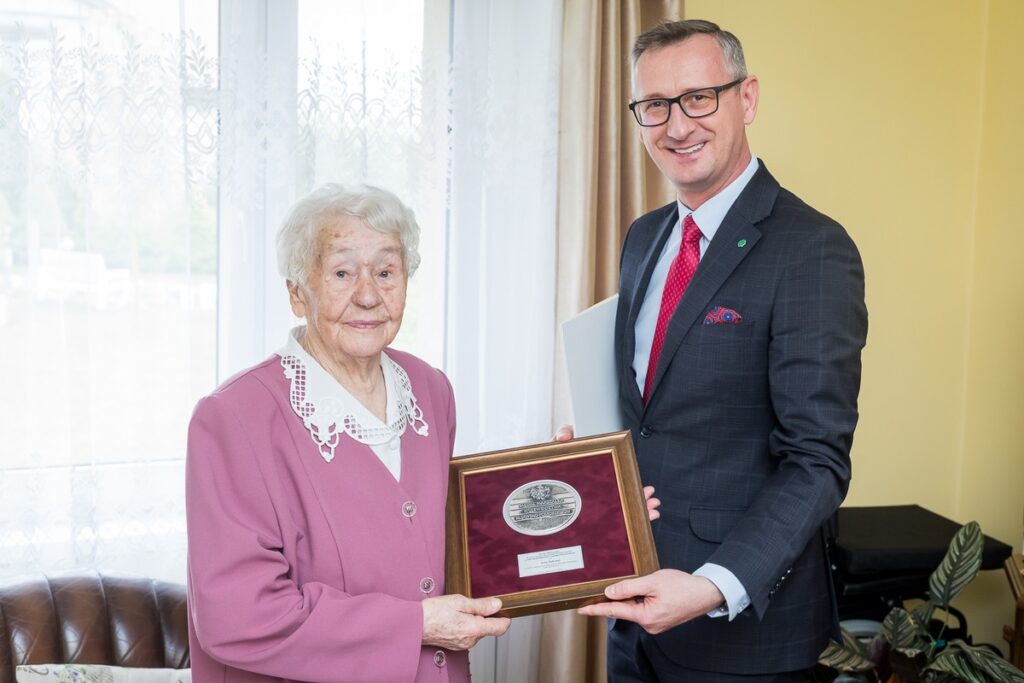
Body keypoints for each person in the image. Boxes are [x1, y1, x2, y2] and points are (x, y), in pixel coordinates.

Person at [575, 19, 868, 682]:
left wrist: (712, 585)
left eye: (699, 97)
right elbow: (649, 416)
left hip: (743, 637)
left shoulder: (811, 249)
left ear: (748, 98)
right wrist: (590, 457)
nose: (677, 125)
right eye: (655, 105)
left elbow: (816, 460)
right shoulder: (644, 237)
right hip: (635, 618)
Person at [185, 184, 510, 682]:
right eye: (341, 273)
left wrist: (584, 498)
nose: (368, 295)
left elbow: (439, 540)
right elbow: (238, 618)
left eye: (386, 272)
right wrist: (416, 625)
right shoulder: (232, 417)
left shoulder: (430, 389)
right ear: (298, 292)